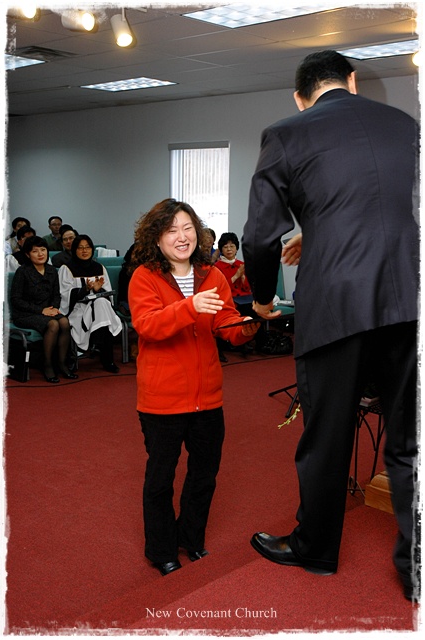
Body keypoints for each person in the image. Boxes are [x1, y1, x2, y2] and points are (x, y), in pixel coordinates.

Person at [242, 50, 419, 601]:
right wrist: (318, 229)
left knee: (328, 434)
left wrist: (263, 298)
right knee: (410, 440)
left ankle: (315, 549)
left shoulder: (286, 133)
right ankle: (417, 568)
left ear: (300, 97)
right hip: (409, 302)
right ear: (353, 81)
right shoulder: (405, 125)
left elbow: (259, 236)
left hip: (336, 307)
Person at [128, 198, 259, 577]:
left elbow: (225, 322)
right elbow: (148, 325)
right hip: (162, 401)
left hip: (207, 398)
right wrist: (190, 306)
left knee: (204, 474)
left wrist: (249, 325)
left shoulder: (211, 274)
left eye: (187, 228)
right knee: (160, 479)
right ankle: (161, 549)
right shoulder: (144, 277)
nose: (182, 237)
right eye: (172, 230)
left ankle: (191, 537)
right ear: (156, 238)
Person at [10, 236, 77, 383]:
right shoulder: (22, 271)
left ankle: (62, 363)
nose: (40, 254)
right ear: (28, 254)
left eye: (43, 250)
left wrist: (54, 308)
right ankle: (47, 365)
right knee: (53, 324)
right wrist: (42, 310)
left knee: (64, 322)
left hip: (48, 311)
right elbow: (16, 300)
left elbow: (56, 295)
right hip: (25, 314)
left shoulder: (52, 270)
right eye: (35, 251)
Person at [58, 234, 122, 373]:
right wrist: (85, 289)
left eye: (87, 247)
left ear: (92, 249)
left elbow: (108, 292)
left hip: (99, 307)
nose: (84, 251)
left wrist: (98, 290)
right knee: (102, 311)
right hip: (78, 308)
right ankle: (107, 358)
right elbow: (65, 294)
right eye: (80, 248)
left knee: (101, 303)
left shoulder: (99, 268)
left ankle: (97, 344)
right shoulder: (67, 268)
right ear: (74, 250)